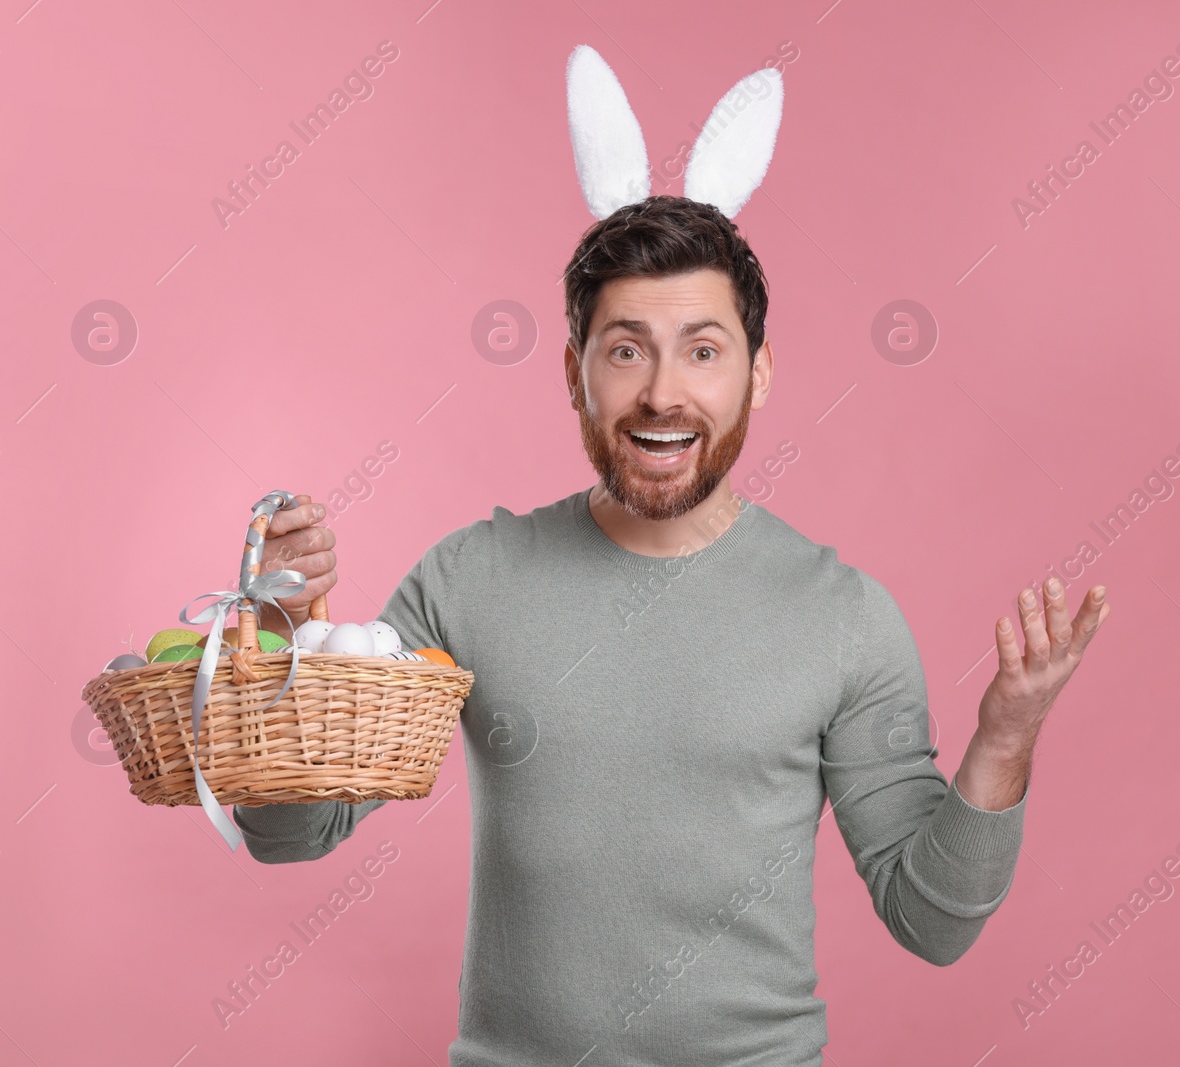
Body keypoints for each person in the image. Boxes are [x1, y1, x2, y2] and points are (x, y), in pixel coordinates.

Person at [237, 194, 1110, 1065]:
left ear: (758, 372)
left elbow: (931, 922)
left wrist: (1006, 738)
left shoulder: (844, 617)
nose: (662, 393)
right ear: (574, 369)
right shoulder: (468, 581)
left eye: (702, 351)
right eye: (626, 351)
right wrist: (278, 633)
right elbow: (291, 834)